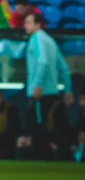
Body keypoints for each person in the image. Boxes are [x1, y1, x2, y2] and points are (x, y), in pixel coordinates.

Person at [19, 13, 74, 160]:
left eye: (28, 22)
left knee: (38, 128)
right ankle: (65, 155)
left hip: (40, 93)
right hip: (52, 93)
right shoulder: (50, 40)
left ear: (38, 25)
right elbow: (63, 67)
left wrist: (37, 85)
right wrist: (67, 90)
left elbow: (42, 62)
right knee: (53, 126)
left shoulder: (36, 38)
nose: (25, 25)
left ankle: (38, 160)